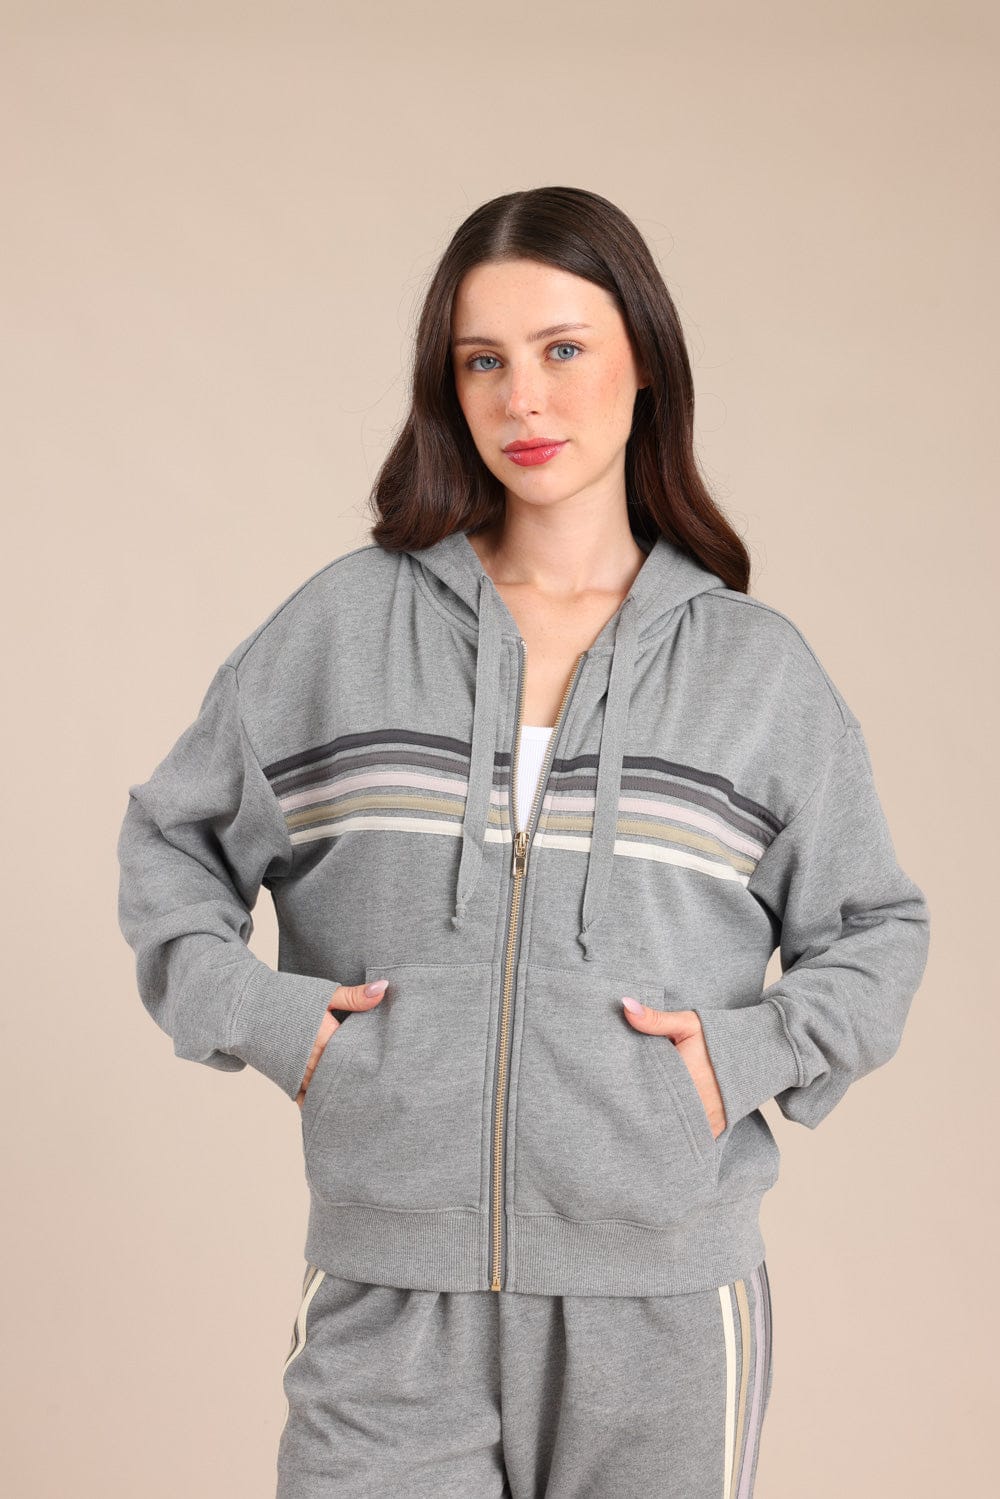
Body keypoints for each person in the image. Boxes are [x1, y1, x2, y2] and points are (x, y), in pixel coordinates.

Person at [116, 185, 931, 1499]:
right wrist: (280, 1026)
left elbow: (877, 929)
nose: (523, 399)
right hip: (392, 1291)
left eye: (562, 349)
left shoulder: (755, 672)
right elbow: (173, 847)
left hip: (662, 1309)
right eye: (482, 361)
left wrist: (743, 1060)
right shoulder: (344, 629)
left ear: (644, 362)